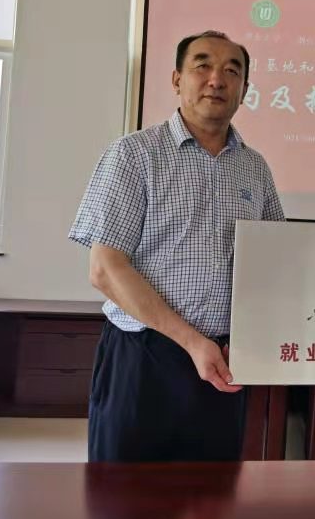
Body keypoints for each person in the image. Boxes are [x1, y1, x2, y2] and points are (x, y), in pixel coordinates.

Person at [69, 30, 284, 462]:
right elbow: (105, 269)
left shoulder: (255, 168)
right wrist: (191, 341)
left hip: (223, 361)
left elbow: (273, 259)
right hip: (144, 356)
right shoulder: (134, 155)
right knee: (125, 492)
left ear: (245, 90)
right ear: (176, 79)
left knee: (212, 491)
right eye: (202, 66)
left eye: (232, 71)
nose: (217, 80)